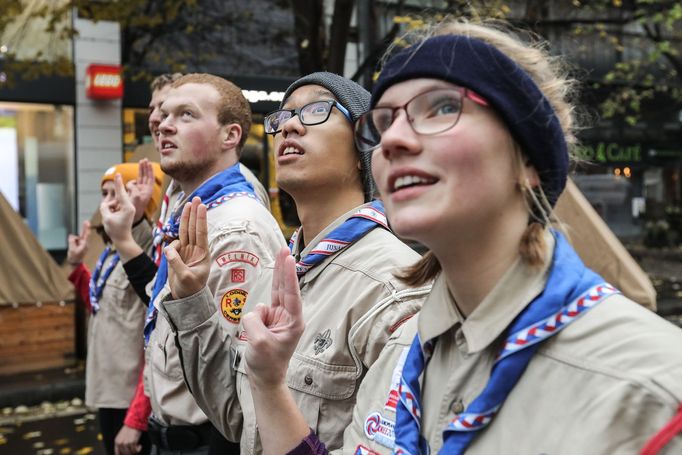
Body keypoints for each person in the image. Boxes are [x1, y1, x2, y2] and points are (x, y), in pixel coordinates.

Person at [239, 19, 682, 454]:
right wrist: (269, 380)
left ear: (527, 158)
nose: (393, 141)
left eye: (443, 107)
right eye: (385, 121)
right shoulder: (405, 352)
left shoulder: (651, 388)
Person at [161, 72, 430, 453]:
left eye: (316, 110)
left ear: (364, 149)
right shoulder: (277, 273)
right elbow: (237, 418)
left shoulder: (395, 286)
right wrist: (191, 299)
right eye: (282, 117)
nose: (288, 126)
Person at [104, 72, 286, 455]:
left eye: (186, 115)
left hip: (209, 442)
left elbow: (240, 371)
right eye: (164, 115)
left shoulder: (236, 227)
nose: (165, 125)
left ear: (230, 136)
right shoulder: (192, 207)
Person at [67, 161, 163, 455]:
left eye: (116, 193)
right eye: (105, 193)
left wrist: (136, 417)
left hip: (133, 399)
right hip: (106, 391)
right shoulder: (111, 251)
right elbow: (100, 302)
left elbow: (156, 338)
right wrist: (76, 265)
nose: (107, 202)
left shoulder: (144, 250)